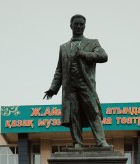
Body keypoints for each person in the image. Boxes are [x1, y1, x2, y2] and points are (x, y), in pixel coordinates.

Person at [43, 14, 109, 148]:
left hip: (85, 84)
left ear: (84, 26)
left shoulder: (92, 43)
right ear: (71, 26)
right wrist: (53, 88)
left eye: (81, 24)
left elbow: (103, 56)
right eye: (76, 24)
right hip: (70, 87)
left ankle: (101, 141)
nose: (79, 26)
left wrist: (85, 54)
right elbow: (59, 70)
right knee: (74, 115)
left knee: (93, 112)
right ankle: (77, 142)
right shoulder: (64, 47)